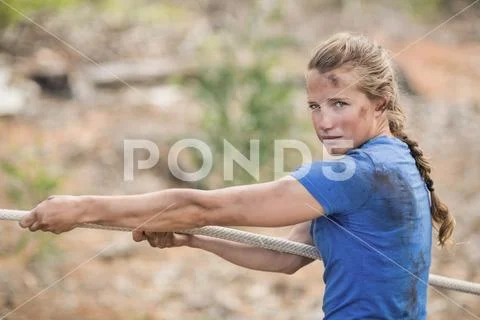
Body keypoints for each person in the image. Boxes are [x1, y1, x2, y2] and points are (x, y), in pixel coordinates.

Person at [19, 32, 455, 319]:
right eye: (314, 106)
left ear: (379, 103)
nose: (323, 121)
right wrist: (194, 238)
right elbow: (286, 256)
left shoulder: (360, 173)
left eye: (339, 104)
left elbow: (202, 204)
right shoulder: (392, 160)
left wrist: (79, 207)